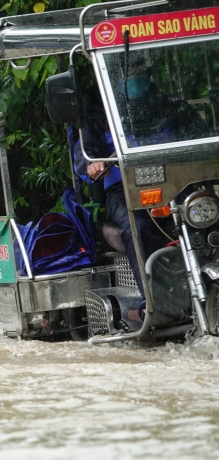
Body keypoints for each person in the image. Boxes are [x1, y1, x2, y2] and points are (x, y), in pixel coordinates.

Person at [73, 89, 168, 325]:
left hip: (172, 180)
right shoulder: (97, 113)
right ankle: (152, 305)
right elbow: (85, 152)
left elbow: (197, 129)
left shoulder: (164, 103)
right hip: (122, 188)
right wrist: (91, 164)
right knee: (136, 225)